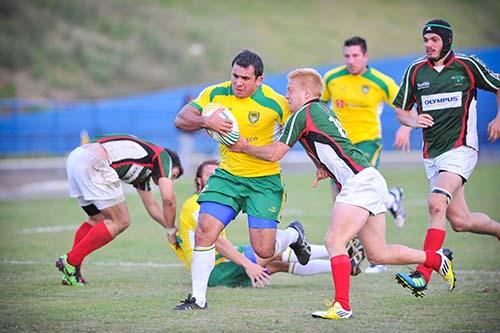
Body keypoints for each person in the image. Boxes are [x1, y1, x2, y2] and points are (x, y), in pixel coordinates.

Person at [231, 68, 456, 320]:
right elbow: (320, 141)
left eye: (290, 90)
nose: (286, 96)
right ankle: (436, 260)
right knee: (378, 253)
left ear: (306, 92)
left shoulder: (303, 113)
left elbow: (275, 153)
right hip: (369, 179)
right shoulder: (320, 111)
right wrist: (321, 166)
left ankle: (342, 305)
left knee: (334, 241)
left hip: (359, 183)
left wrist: (244, 147)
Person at [173, 49, 311, 310]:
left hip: (264, 181)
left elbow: (303, 131)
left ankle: (293, 234)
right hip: (227, 177)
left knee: (264, 251)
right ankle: (198, 299)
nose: (238, 82)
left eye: (245, 78)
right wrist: (206, 120)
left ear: (259, 80)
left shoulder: (276, 103)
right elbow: (181, 119)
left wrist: (320, 163)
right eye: (235, 76)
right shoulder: (215, 94)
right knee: (205, 231)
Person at [393, 18, 500, 297]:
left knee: (436, 202)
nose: (428, 45)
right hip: (433, 156)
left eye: (434, 40)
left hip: (462, 149)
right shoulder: (415, 71)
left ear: (447, 41)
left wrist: (499, 118)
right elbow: (401, 111)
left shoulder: (467, 65)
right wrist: (413, 120)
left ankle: (423, 273)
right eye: (426, 40)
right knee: (460, 221)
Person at [171, 160, 335, 290]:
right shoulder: (195, 205)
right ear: (199, 182)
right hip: (214, 270)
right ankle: (329, 250)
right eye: (210, 175)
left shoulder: (214, 204)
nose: (215, 179)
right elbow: (218, 243)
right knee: (270, 252)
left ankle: (342, 265)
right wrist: (249, 265)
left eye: (218, 175)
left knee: (277, 264)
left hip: (219, 264)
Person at [321, 36, 410, 274]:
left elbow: (406, 103)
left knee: (360, 195)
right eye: (347, 56)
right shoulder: (331, 78)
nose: (350, 60)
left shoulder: (381, 82)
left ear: (365, 56)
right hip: (339, 148)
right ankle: (391, 200)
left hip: (367, 145)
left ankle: (375, 258)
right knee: (342, 198)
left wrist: (406, 126)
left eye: (355, 56)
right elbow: (318, 108)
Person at [56, 134, 183, 286]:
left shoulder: (143, 170)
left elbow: (152, 206)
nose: (170, 179)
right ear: (171, 164)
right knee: (121, 221)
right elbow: (168, 199)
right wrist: (170, 231)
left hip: (77, 158)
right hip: (95, 160)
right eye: (173, 175)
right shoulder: (162, 156)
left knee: (97, 220)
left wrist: (173, 229)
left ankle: (71, 273)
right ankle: (71, 261)